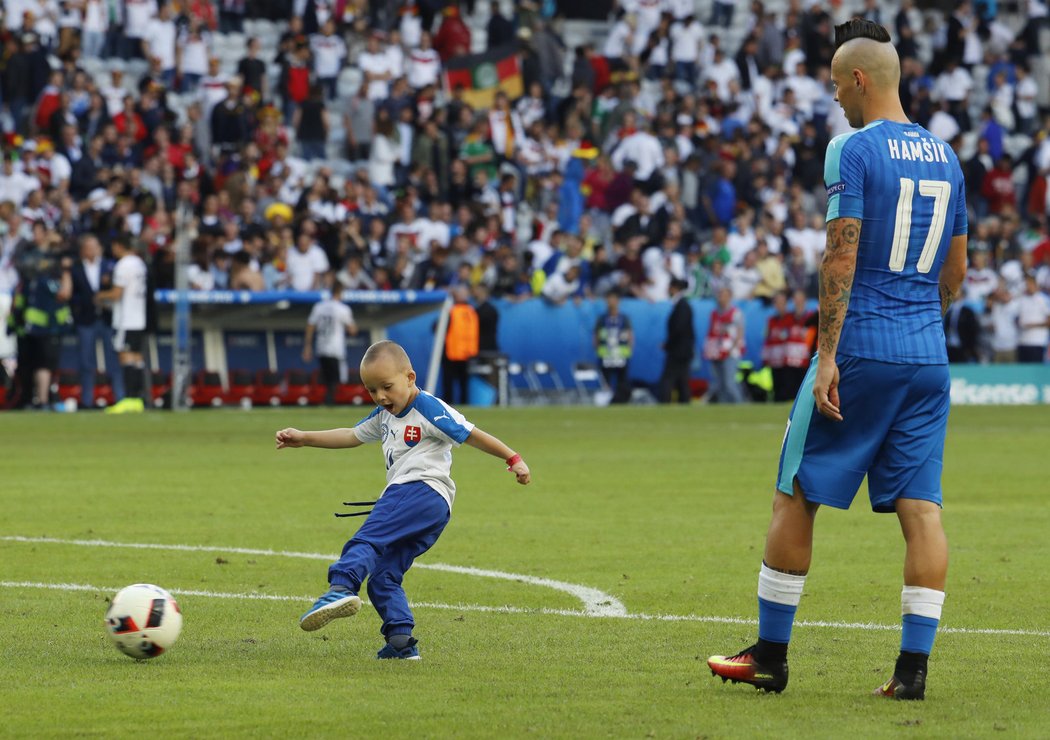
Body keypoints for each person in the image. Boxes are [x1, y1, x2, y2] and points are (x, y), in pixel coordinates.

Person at [708, 19, 969, 700]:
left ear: (858, 80)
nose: (835, 101)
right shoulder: (947, 155)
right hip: (926, 354)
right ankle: (911, 675)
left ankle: (769, 656)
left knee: (795, 493)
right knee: (923, 511)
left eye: (834, 88)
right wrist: (921, 325)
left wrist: (829, 355)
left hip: (861, 349)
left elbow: (841, 253)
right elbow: (956, 271)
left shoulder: (850, 149)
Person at [275, 340, 531, 659]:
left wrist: (512, 458)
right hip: (430, 509)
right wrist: (305, 438)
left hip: (419, 490)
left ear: (409, 378)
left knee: (366, 539)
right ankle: (400, 642)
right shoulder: (384, 416)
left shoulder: (428, 407)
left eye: (386, 386)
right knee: (384, 574)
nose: (381, 397)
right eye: (371, 390)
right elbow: (351, 435)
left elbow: (472, 434)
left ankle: (340, 588)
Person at [95, 235, 151, 414]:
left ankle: (129, 398)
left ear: (119, 246)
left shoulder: (123, 265)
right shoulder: (139, 263)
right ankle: (139, 399)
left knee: (125, 357)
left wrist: (100, 296)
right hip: (139, 317)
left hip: (126, 318)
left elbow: (117, 294)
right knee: (137, 359)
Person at [70, 234, 125, 409]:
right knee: (86, 361)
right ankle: (87, 400)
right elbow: (73, 294)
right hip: (86, 320)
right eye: (88, 247)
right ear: (82, 250)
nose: (91, 250)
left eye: (94, 246)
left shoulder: (109, 266)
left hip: (107, 319)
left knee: (113, 360)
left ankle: (119, 398)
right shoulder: (76, 268)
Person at [303, 281, 358, 406]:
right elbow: (352, 329)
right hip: (335, 348)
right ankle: (330, 401)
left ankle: (328, 400)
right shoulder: (343, 309)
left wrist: (307, 346)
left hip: (321, 346)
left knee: (327, 377)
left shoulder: (319, 307)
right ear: (340, 292)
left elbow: (310, 326)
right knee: (336, 378)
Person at [702, 286, 745, 403]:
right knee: (718, 383)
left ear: (729, 297)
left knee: (729, 382)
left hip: (731, 352)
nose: (721, 298)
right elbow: (711, 332)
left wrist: (732, 348)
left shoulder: (735, 313)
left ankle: (740, 404)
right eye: (720, 295)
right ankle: (724, 406)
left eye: (724, 295)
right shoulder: (714, 313)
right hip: (717, 352)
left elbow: (740, 332)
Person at [442, 286, 479, 405]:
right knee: (458, 384)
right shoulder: (470, 311)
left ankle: (455, 405)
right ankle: (457, 405)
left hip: (456, 353)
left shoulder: (454, 311)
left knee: (455, 384)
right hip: (459, 353)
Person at [595, 290, 634, 404]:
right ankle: (606, 399)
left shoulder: (624, 318)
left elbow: (630, 335)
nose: (610, 302)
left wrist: (630, 349)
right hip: (606, 354)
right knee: (605, 379)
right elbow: (596, 336)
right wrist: (598, 349)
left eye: (612, 299)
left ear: (618, 301)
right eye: (608, 299)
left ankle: (621, 400)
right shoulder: (602, 319)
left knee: (622, 379)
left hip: (621, 355)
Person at [659, 278, 694, 404]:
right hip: (682, 350)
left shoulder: (682, 306)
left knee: (668, 378)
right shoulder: (681, 305)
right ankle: (684, 402)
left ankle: (665, 401)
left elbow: (679, 329)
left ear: (674, 288)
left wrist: (668, 345)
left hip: (678, 351)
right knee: (682, 380)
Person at [1016, 274, 1049, 363]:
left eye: (1030, 284)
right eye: (1027, 284)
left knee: (1035, 371)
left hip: (1037, 342)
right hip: (1022, 341)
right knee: (1022, 373)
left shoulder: (1043, 299)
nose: (1028, 286)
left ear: (1035, 285)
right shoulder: (1022, 299)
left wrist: (1033, 325)